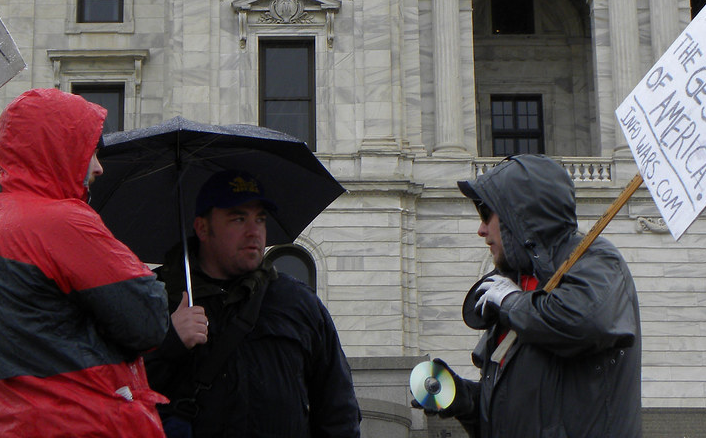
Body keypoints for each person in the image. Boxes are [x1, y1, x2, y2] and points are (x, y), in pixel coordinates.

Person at [0, 88, 172, 438]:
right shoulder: (59, 221)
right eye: (89, 151)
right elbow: (148, 319)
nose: (98, 167)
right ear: (58, 149)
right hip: (84, 423)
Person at [415, 154, 642, 438]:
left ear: (518, 215)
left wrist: (512, 303)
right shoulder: (519, 284)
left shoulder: (595, 259)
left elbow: (587, 320)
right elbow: (521, 413)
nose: (481, 229)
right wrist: (467, 399)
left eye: (486, 214)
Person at [144, 168, 361, 438]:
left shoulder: (298, 302)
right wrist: (169, 342)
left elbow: (338, 409)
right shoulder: (155, 298)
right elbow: (120, 393)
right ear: (202, 227)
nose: (254, 232)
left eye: (260, 219)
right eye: (238, 219)